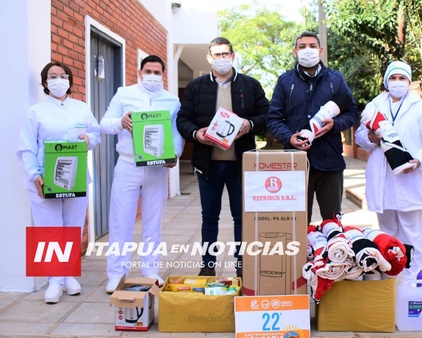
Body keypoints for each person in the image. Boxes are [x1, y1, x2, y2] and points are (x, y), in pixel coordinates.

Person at [176, 37, 269, 277]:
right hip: (208, 165)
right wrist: (197, 134)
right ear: (209, 59)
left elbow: (267, 116)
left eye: (225, 53)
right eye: (216, 55)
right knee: (209, 217)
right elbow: (183, 119)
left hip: (241, 165)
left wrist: (250, 124)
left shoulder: (251, 85)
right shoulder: (196, 87)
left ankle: (242, 267)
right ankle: (208, 266)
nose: (221, 59)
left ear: (233, 55)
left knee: (241, 218)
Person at [16, 61, 101, 304]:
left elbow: (95, 134)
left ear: (69, 80)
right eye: (52, 76)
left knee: (72, 227)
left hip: (76, 177)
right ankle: (54, 280)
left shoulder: (81, 108)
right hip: (45, 179)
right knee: (48, 229)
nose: (58, 79)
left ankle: (70, 275)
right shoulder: (35, 112)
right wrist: (35, 176)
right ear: (45, 82)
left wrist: (89, 138)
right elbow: (27, 147)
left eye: (63, 75)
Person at [100, 55, 183, 293]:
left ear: (163, 75)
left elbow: (176, 131)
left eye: (157, 72)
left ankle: (151, 270)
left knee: (153, 223)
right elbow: (104, 124)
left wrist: (175, 153)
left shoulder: (172, 100)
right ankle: (117, 273)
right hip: (127, 165)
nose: (153, 76)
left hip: (157, 168)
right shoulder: (124, 94)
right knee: (121, 221)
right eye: (148, 71)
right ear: (139, 72)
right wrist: (120, 122)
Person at [355, 60, 422, 281]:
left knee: (412, 234)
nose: (397, 82)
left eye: (402, 78)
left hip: (410, 178)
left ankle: (412, 281)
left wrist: (419, 160)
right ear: (386, 81)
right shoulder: (374, 106)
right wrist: (370, 137)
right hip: (383, 181)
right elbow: (359, 137)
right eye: (393, 78)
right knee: (387, 235)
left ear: (409, 81)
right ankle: (391, 280)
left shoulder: (420, 107)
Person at [268, 31, 358, 223]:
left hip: (330, 161)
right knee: (297, 222)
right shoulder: (285, 81)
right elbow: (274, 119)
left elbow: (352, 113)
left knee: (332, 222)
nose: (307, 50)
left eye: (312, 46)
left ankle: (332, 252)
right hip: (296, 163)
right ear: (295, 52)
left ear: (320, 50)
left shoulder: (335, 79)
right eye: (302, 47)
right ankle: (300, 254)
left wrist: (335, 124)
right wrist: (289, 137)